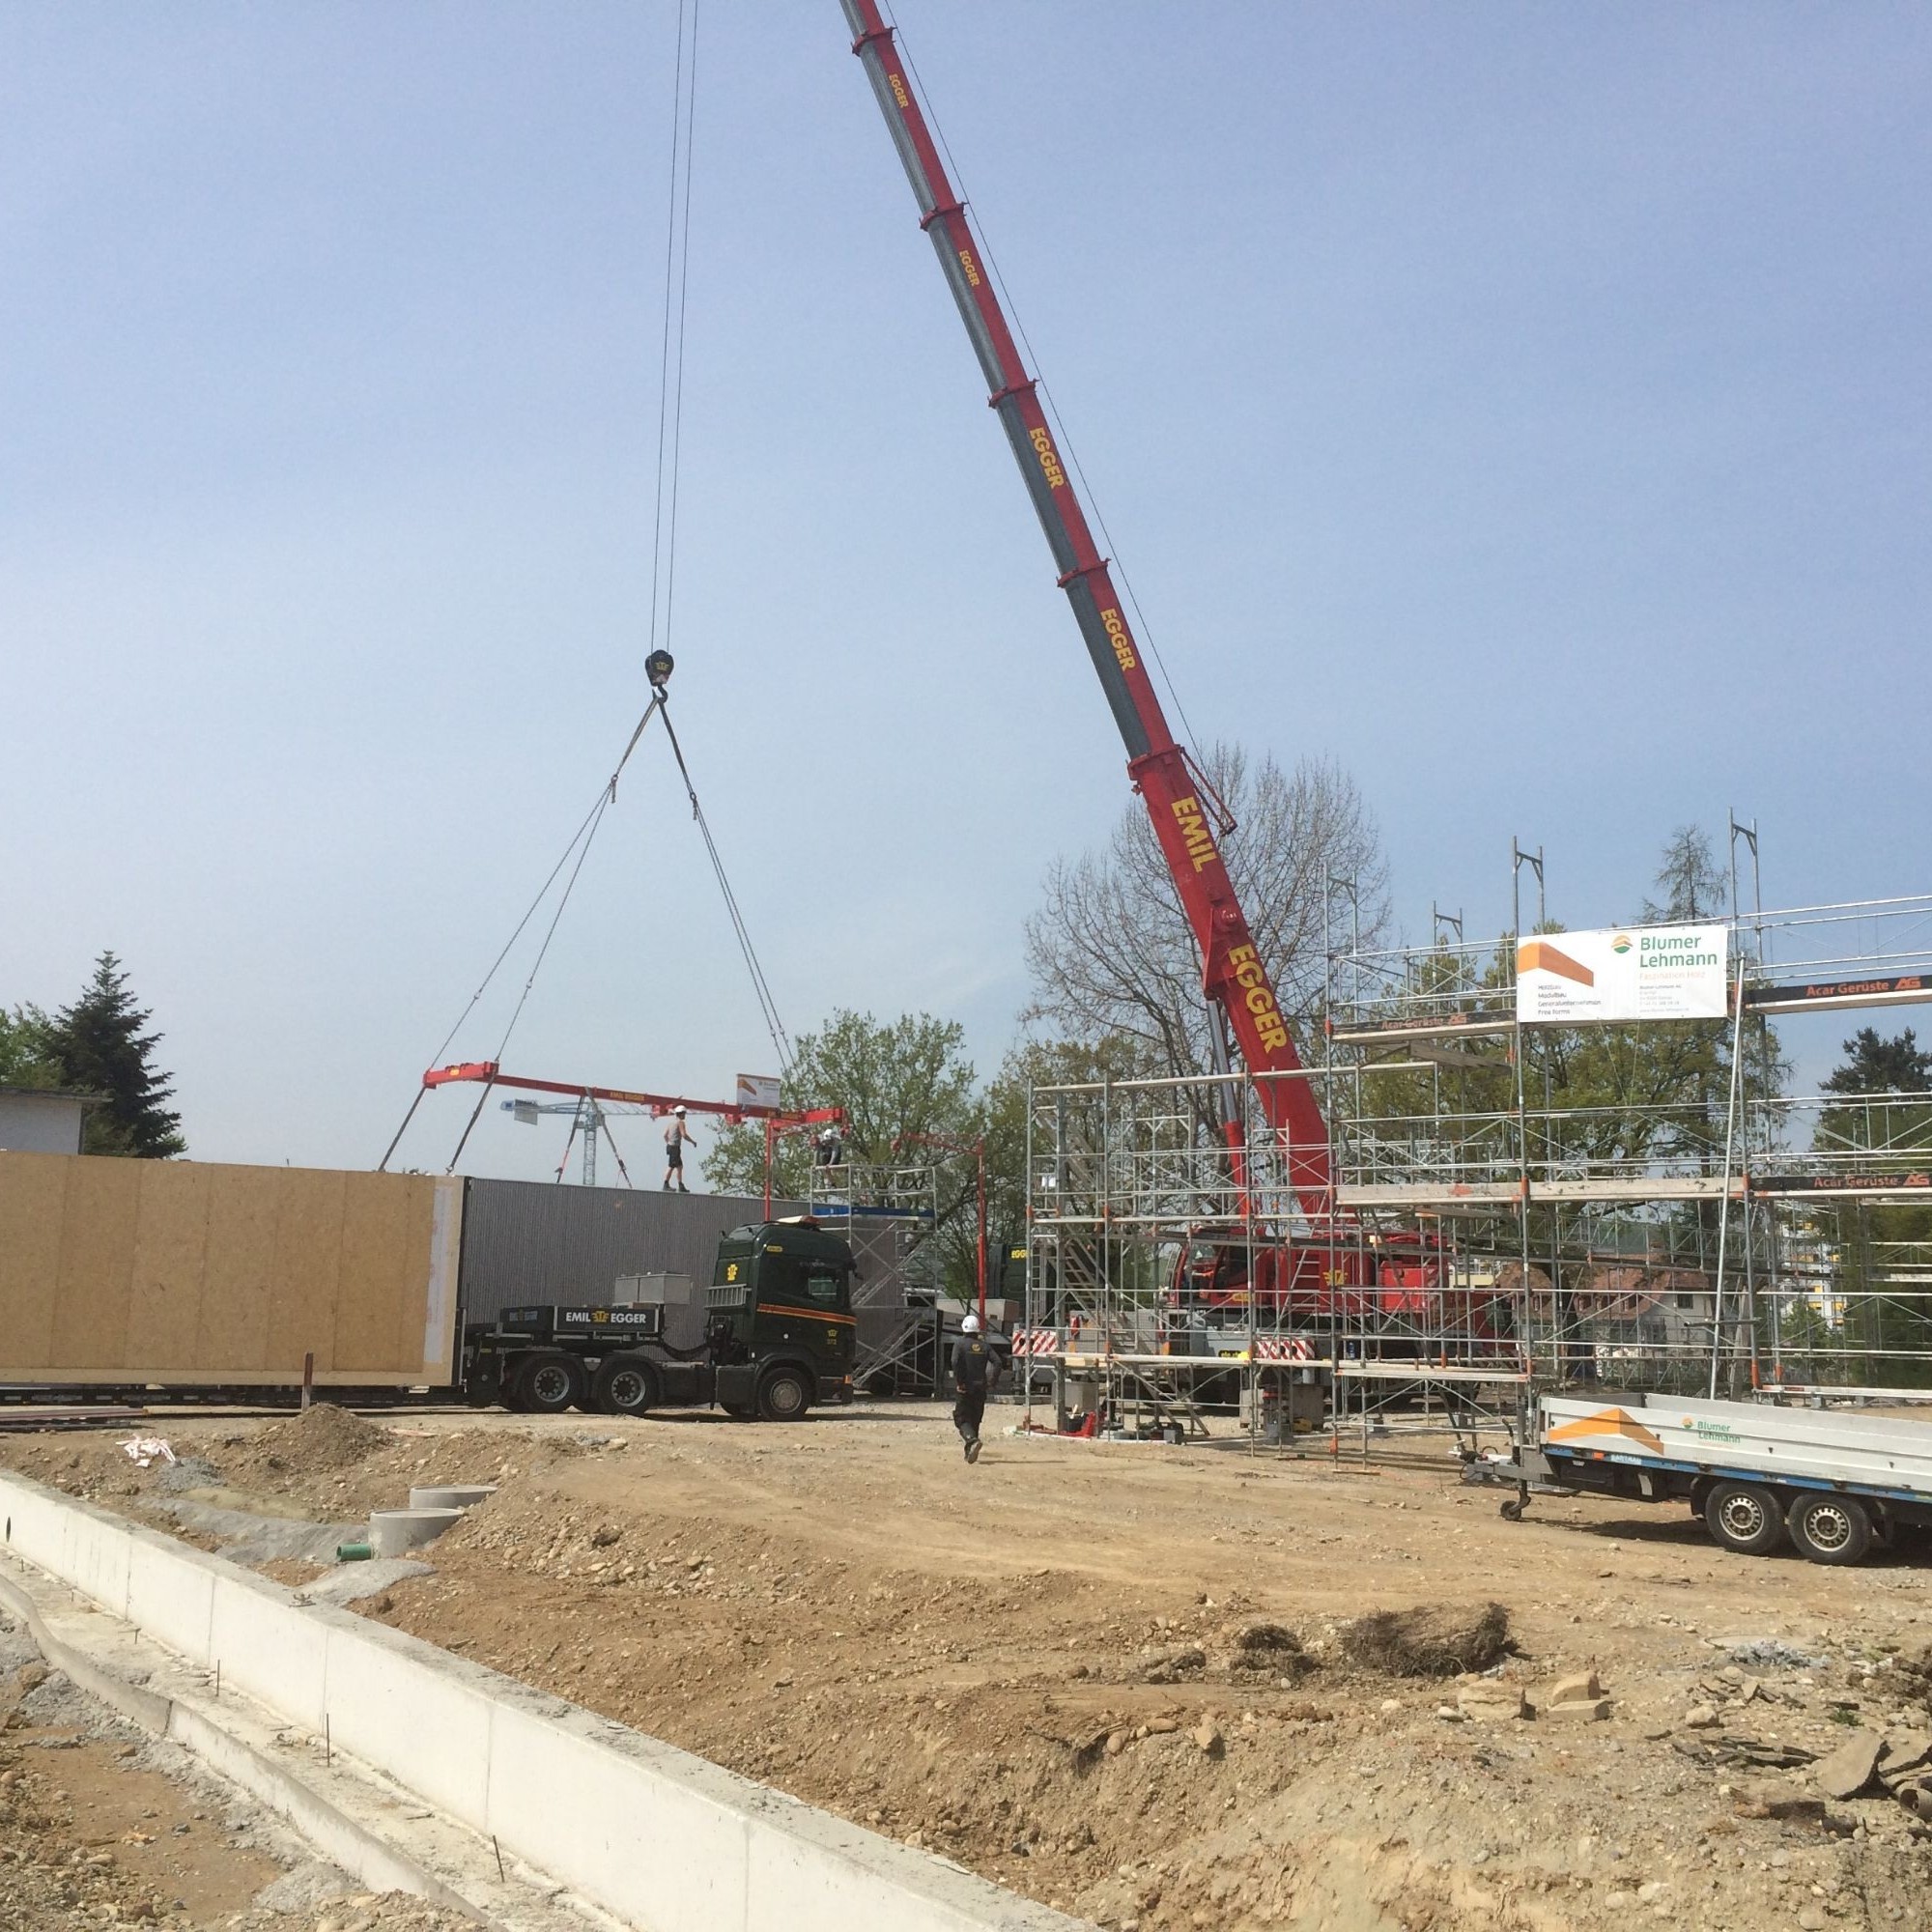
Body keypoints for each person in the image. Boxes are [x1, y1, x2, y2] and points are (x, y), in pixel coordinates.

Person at [950, 1312, 995, 1463]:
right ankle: (970, 1452)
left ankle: (971, 1440)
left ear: (964, 1328)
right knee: (975, 1419)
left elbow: (955, 1362)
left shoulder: (960, 1344)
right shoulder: (985, 1346)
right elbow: (998, 1362)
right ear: (977, 1329)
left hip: (965, 1387)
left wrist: (959, 1381)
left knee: (961, 1418)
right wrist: (991, 1381)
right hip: (980, 1388)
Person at [662, 1105, 697, 1192]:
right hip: (675, 1148)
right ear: (681, 1114)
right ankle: (666, 1184)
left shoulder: (671, 1122)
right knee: (671, 1166)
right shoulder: (680, 1123)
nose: (685, 1115)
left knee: (679, 1166)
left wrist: (669, 1143)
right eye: (684, 1113)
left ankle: (680, 1185)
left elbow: (665, 1135)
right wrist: (693, 1142)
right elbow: (684, 1135)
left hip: (670, 1146)